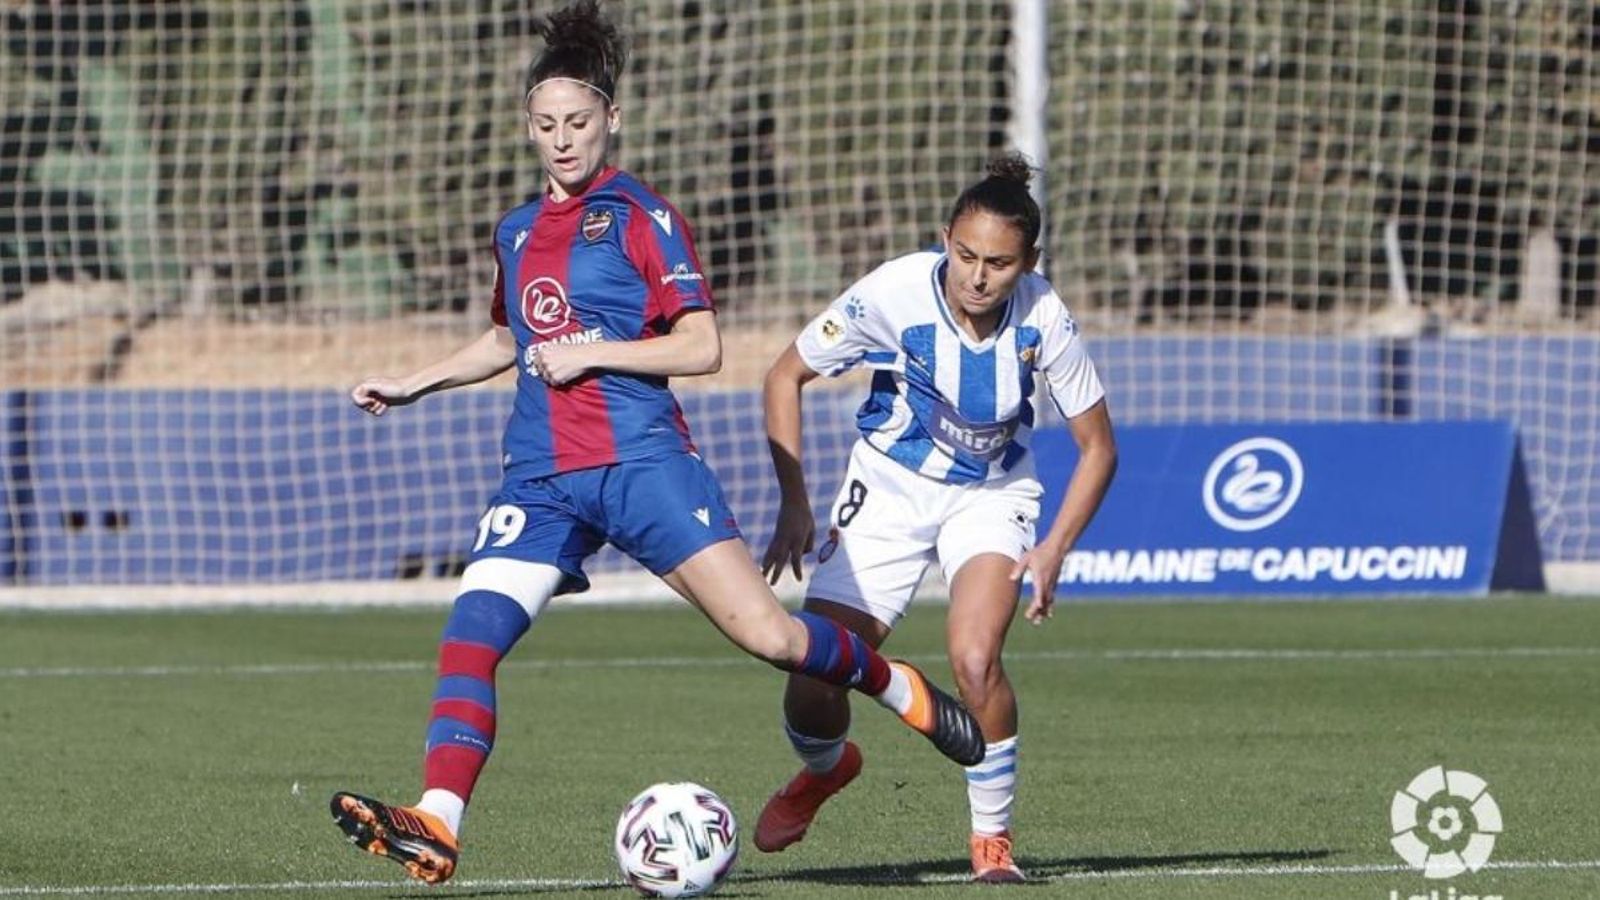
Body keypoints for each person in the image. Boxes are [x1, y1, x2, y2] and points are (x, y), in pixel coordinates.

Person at [328, 1, 982, 885]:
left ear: (611, 121)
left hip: (643, 464)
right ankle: (438, 820)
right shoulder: (516, 231)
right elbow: (508, 337)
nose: (564, 141)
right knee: (470, 635)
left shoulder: (641, 214)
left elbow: (701, 345)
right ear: (528, 127)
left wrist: (592, 351)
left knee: (775, 640)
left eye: (579, 123)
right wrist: (414, 382)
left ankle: (892, 684)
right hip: (542, 476)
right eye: (547, 125)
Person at [755, 154, 1117, 883]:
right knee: (811, 674)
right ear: (944, 238)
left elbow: (1098, 448)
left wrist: (1052, 550)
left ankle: (992, 845)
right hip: (886, 491)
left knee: (975, 661)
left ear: (1030, 263)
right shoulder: (893, 291)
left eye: (1000, 264)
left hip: (991, 495)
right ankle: (826, 769)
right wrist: (794, 500)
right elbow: (784, 375)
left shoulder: (1043, 315)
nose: (979, 277)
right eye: (966, 255)